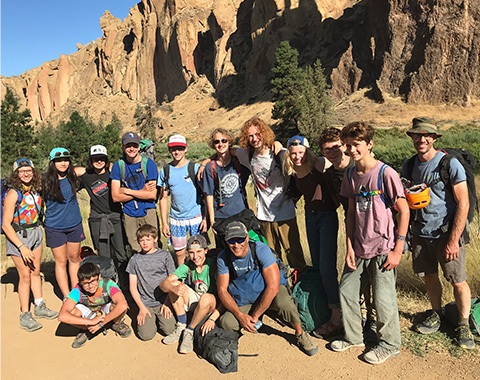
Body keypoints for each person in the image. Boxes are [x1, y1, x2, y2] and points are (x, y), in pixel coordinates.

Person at [331, 121, 409, 365]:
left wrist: (398, 249)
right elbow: (351, 213)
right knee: (346, 290)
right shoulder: (351, 174)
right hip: (359, 247)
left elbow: (403, 211)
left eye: (356, 145)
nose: (351, 150)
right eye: (348, 145)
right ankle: (354, 336)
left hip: (384, 247)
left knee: (384, 298)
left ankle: (390, 344)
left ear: (369, 144)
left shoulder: (386, 173)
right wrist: (349, 246)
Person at [400, 117, 475, 349]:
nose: (421, 139)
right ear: (412, 137)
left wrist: (454, 240)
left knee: (458, 280)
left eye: (426, 136)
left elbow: (463, 204)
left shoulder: (449, 163)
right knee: (429, 276)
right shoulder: (409, 165)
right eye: (417, 135)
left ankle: (463, 324)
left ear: (433, 138)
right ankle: (436, 313)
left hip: (446, 233)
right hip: (421, 233)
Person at [216, 221, 318, 356]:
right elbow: (222, 290)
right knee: (226, 322)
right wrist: (240, 316)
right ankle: (237, 337)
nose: (236, 245)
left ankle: (300, 333)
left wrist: (255, 316)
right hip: (246, 295)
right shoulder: (223, 258)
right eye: (231, 241)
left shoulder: (260, 249)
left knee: (284, 303)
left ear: (247, 238)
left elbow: (273, 287)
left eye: (240, 239)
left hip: (268, 289)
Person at [319, 128, 376, 342]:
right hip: (354, 226)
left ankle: (371, 320)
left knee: (372, 278)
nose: (333, 152)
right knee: (355, 278)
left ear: (344, 146)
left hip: (375, 228)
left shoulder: (356, 166)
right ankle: (355, 323)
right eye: (327, 149)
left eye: (336, 147)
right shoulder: (330, 175)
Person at [283, 135, 342, 338]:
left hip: (327, 216)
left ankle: (336, 315)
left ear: (307, 152)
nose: (297, 157)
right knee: (317, 266)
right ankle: (322, 309)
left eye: (301, 153)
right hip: (310, 217)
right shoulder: (294, 173)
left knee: (327, 268)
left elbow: (328, 160)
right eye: (294, 154)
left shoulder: (317, 165)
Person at [235, 117, 307, 273]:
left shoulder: (279, 153)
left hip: (285, 213)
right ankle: (279, 290)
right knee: (271, 258)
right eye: (250, 136)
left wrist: (279, 144)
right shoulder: (247, 155)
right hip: (264, 216)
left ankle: (301, 288)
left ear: (264, 133)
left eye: (257, 134)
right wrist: (208, 161)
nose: (254, 139)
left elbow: (301, 160)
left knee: (294, 256)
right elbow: (227, 150)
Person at [2, 158, 58, 331]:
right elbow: (5, 224)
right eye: (21, 171)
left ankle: (39, 305)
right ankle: (25, 314)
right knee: (25, 276)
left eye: (28, 170)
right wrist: (21, 247)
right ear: (16, 174)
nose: (25, 173)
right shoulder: (13, 193)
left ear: (34, 172)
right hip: (18, 236)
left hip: (35, 233)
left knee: (35, 272)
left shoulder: (34, 190)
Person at [160, 235, 223, 354]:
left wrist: (213, 318)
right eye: (191, 253)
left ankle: (190, 330)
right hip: (195, 300)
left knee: (205, 298)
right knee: (174, 283)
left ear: (206, 251)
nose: (195, 256)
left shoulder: (213, 266)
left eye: (199, 251)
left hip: (211, 303)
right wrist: (173, 289)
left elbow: (224, 294)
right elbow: (163, 284)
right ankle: (181, 324)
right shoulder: (188, 266)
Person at [77, 145, 128, 288]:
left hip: (115, 217)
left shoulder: (114, 174)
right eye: (95, 159)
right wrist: (82, 169)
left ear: (106, 160)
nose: (99, 161)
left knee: (121, 253)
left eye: (101, 158)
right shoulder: (86, 177)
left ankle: (124, 283)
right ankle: (107, 286)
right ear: (90, 160)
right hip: (97, 219)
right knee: (103, 255)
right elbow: (72, 173)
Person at [42, 147, 85, 298]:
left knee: (74, 259)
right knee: (60, 262)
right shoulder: (45, 181)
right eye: (59, 160)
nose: (63, 163)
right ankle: (67, 296)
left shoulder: (72, 176)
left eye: (66, 160)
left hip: (74, 224)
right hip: (55, 227)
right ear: (52, 162)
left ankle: (76, 292)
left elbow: (84, 170)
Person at [158, 134, 207, 266]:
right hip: (176, 219)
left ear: (186, 149)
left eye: (180, 148)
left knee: (198, 252)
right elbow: (163, 198)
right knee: (179, 253)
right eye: (174, 149)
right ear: (169, 150)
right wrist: (164, 222)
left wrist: (205, 218)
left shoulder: (195, 168)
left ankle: (200, 282)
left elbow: (206, 194)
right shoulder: (165, 171)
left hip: (195, 217)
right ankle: (182, 282)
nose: (177, 152)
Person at [58, 262, 131, 348]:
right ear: (80, 282)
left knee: (117, 306)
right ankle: (85, 329)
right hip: (89, 314)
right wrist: (91, 322)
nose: (90, 286)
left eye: (93, 281)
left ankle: (116, 323)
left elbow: (123, 305)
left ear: (99, 277)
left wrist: (100, 324)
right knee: (72, 311)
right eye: (86, 283)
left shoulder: (108, 285)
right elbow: (62, 316)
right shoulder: (77, 290)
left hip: (105, 311)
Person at [110, 132, 159, 254]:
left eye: (134, 145)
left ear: (139, 147)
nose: (131, 149)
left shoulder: (149, 164)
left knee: (152, 245)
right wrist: (142, 192)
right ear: (122, 147)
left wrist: (127, 191)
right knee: (135, 247)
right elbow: (115, 197)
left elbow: (151, 195)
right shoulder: (119, 165)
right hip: (129, 212)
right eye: (128, 146)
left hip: (148, 211)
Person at [126, 224, 176, 341]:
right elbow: (132, 287)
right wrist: (141, 307)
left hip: (163, 301)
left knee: (169, 330)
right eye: (141, 240)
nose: (145, 243)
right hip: (146, 303)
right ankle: (151, 320)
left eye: (148, 239)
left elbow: (173, 281)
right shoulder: (135, 260)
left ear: (155, 239)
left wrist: (168, 302)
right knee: (146, 335)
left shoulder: (165, 255)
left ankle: (160, 319)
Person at [201, 128, 249, 249]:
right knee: (225, 252)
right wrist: (212, 221)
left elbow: (250, 153)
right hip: (221, 217)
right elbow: (209, 194)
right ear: (213, 144)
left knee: (243, 249)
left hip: (240, 213)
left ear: (229, 142)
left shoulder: (238, 161)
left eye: (224, 140)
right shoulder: (210, 167)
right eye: (217, 142)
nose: (221, 144)